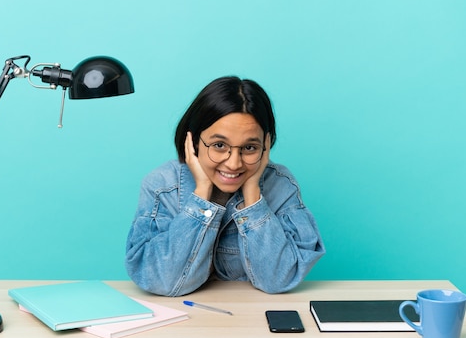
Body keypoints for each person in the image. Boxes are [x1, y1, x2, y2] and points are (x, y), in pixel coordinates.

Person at [125, 76, 325, 296]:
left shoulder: (280, 185)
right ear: (192, 142)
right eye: (219, 145)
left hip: (251, 320)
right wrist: (202, 193)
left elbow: (278, 280)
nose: (234, 163)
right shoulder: (163, 186)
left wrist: (252, 194)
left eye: (249, 147)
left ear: (265, 145)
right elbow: (163, 281)